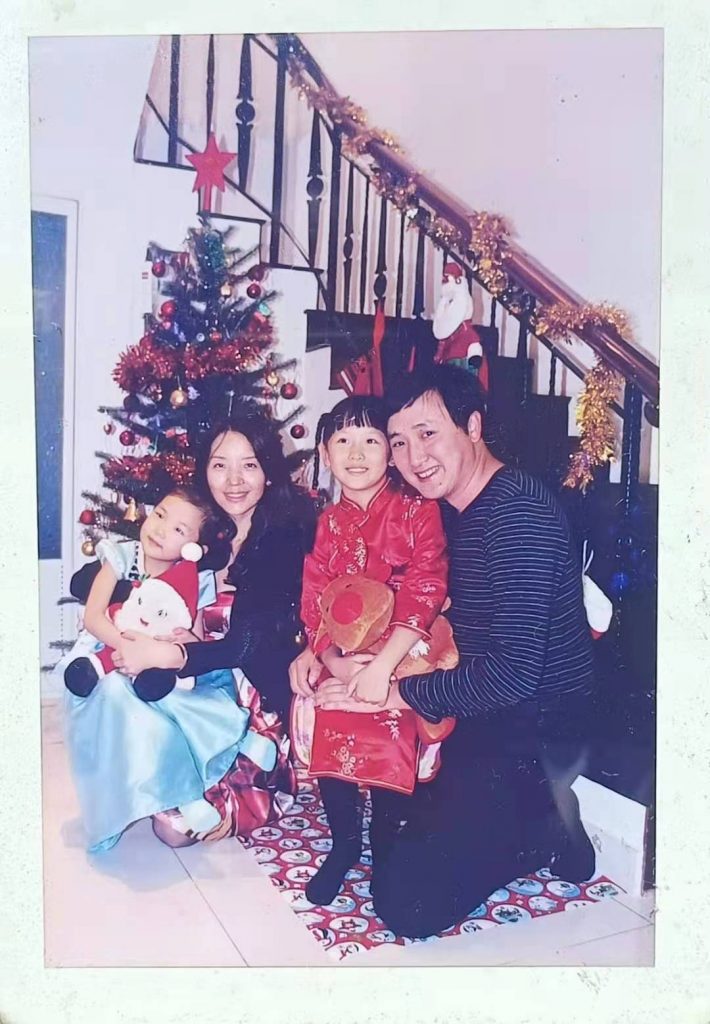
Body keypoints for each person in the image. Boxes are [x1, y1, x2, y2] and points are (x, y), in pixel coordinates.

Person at [294, 364, 596, 938]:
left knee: (406, 904)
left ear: (473, 426)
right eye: (399, 442)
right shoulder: (453, 509)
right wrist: (326, 652)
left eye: (428, 434)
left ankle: (546, 827)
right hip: (473, 705)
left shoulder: (518, 513)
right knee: (400, 840)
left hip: (532, 726)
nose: (414, 457)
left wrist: (394, 692)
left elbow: (513, 676)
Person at [66, 401, 315, 852]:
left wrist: (174, 653)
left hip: (249, 700)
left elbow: (247, 645)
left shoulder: (282, 537)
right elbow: (104, 577)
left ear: (268, 472)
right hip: (188, 685)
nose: (234, 480)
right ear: (206, 471)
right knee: (124, 703)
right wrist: (115, 571)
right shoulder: (199, 530)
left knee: (173, 830)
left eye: (249, 465)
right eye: (220, 465)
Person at [291, 395, 450, 906]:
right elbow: (315, 597)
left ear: (391, 451)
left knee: (387, 725)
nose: (356, 453)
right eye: (342, 440)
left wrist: (382, 666)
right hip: (346, 651)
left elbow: (426, 587)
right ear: (325, 452)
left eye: (371, 440)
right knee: (330, 708)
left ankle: (384, 846)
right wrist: (333, 662)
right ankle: (344, 843)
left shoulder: (418, 511)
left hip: (405, 644)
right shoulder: (327, 522)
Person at [63, 486, 213, 702]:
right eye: (160, 515)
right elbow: (93, 617)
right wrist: (128, 647)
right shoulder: (122, 556)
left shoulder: (195, 580)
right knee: (112, 689)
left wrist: (186, 641)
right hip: (109, 643)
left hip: (158, 662)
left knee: (168, 698)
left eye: (178, 530)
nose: (160, 530)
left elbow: (195, 639)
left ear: (196, 548)